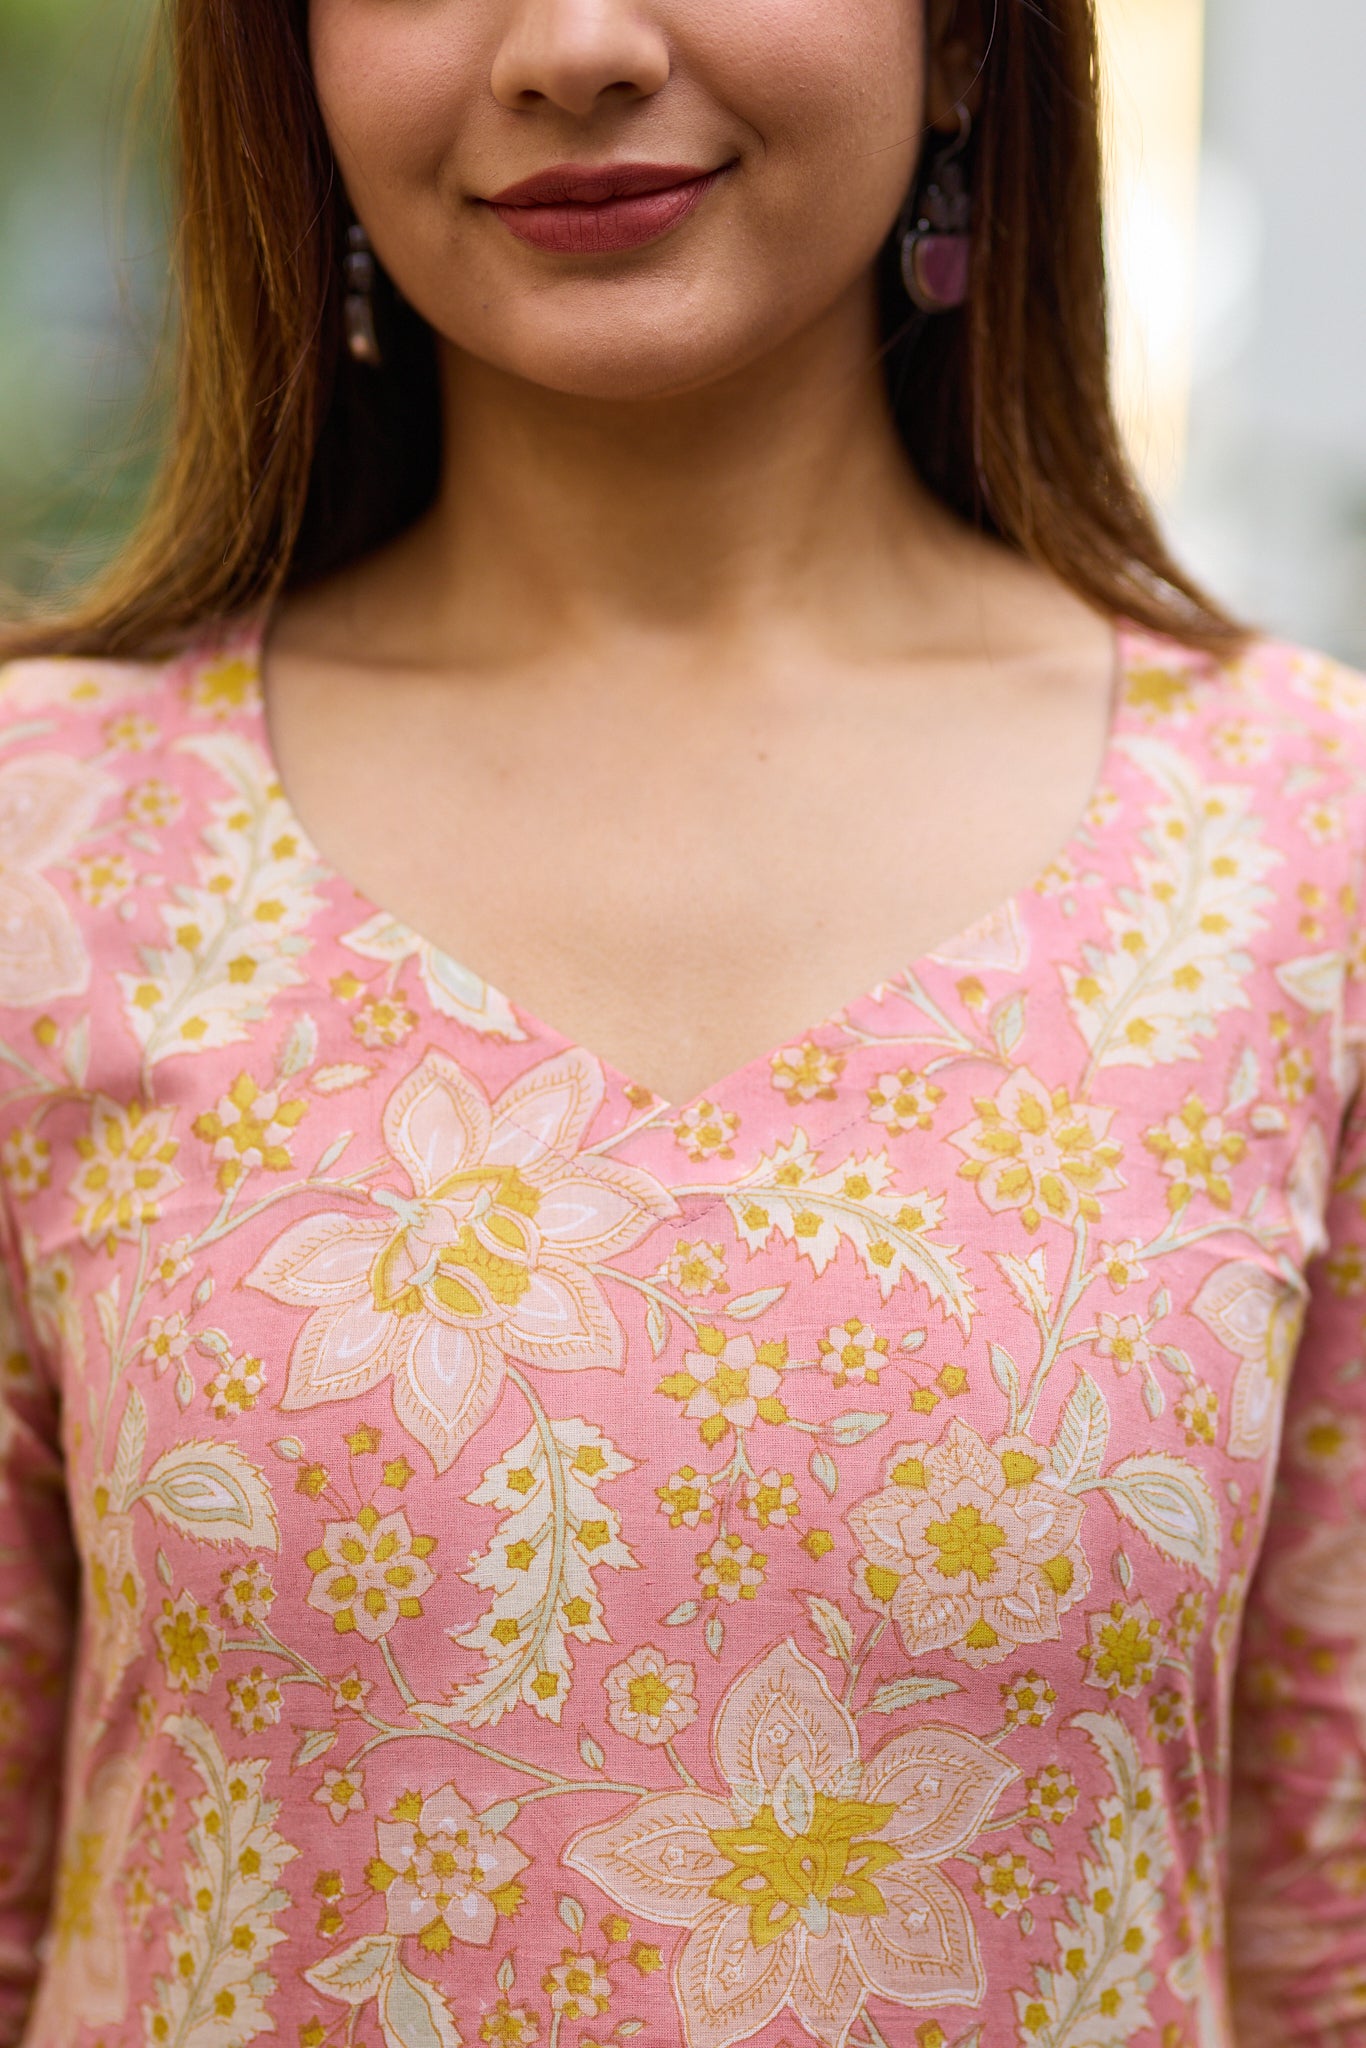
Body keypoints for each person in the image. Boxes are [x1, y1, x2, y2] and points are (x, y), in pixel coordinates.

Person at [0, 0, 1363, 2043]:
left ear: (970, 42)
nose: (566, 44)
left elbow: (1322, 1921)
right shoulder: (55, 845)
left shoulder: (1297, 850)